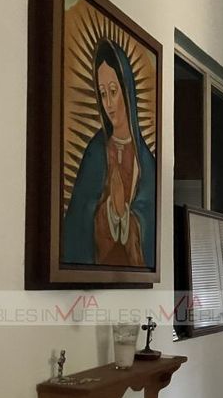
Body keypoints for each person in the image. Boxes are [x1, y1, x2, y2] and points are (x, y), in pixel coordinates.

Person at [63, 38, 156, 268]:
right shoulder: (96, 152)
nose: (108, 104)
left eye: (113, 91)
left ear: (127, 91)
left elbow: (151, 226)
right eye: (103, 94)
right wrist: (109, 212)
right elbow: (77, 223)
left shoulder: (147, 163)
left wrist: (126, 216)